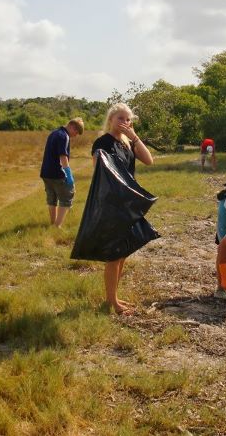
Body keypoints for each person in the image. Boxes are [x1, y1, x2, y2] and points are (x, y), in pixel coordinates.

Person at [90, 103, 154, 314]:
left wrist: (134, 137)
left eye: (128, 119)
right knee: (114, 254)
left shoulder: (127, 143)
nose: (125, 122)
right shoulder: (102, 143)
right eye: (120, 118)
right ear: (111, 119)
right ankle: (111, 302)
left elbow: (149, 160)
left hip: (129, 203)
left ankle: (113, 296)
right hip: (112, 204)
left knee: (123, 252)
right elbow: (99, 172)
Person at [40, 118, 84, 227]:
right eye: (76, 132)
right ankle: (57, 226)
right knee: (67, 197)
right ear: (72, 127)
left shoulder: (54, 133)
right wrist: (68, 173)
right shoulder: (64, 136)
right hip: (57, 174)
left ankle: (53, 223)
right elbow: (63, 156)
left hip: (46, 173)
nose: (76, 135)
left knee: (52, 198)